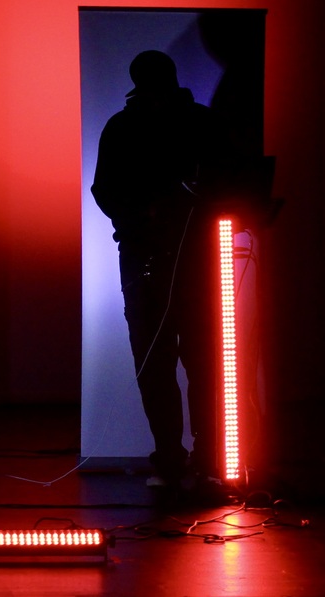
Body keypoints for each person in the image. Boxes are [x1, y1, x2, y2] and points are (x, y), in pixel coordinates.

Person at [91, 50, 235, 498]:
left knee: (195, 362)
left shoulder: (191, 123)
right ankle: (180, 459)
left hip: (185, 257)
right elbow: (105, 190)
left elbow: (227, 182)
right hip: (150, 259)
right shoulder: (129, 127)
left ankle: (200, 460)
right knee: (162, 363)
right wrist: (144, 217)